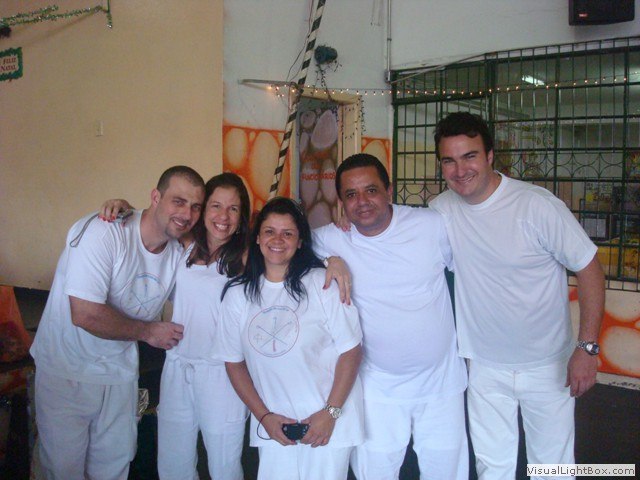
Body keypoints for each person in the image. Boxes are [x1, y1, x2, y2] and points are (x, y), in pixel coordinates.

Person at [430, 112, 605, 479]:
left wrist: (587, 348)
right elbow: (395, 235)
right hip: (483, 366)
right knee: (492, 467)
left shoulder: (535, 205)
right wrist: (346, 232)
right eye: (449, 160)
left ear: (490, 155)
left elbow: (589, 268)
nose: (460, 170)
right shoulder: (441, 210)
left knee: (552, 468)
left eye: (469, 156)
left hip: (548, 365)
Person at [29, 166, 205, 480]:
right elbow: (84, 313)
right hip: (66, 369)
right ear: (155, 197)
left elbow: (208, 283)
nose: (186, 213)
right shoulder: (105, 231)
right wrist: (149, 332)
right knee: (62, 469)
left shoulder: (179, 252)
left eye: (195, 207)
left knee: (113, 467)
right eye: (178, 201)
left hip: (119, 374)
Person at [314, 154, 469, 479]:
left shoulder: (431, 225)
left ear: (389, 190)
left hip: (441, 386)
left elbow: (476, 266)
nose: (362, 202)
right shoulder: (331, 238)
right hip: (377, 389)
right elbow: (291, 246)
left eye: (371, 190)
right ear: (341, 202)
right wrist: (330, 259)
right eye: (351, 194)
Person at [219, 197, 364, 480]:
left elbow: (352, 351)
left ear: (300, 242)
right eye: (269, 231)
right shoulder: (237, 295)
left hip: (328, 424)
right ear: (258, 238)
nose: (278, 240)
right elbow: (233, 363)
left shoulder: (323, 283)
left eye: (288, 233)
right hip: (276, 427)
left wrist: (330, 413)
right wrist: (264, 417)